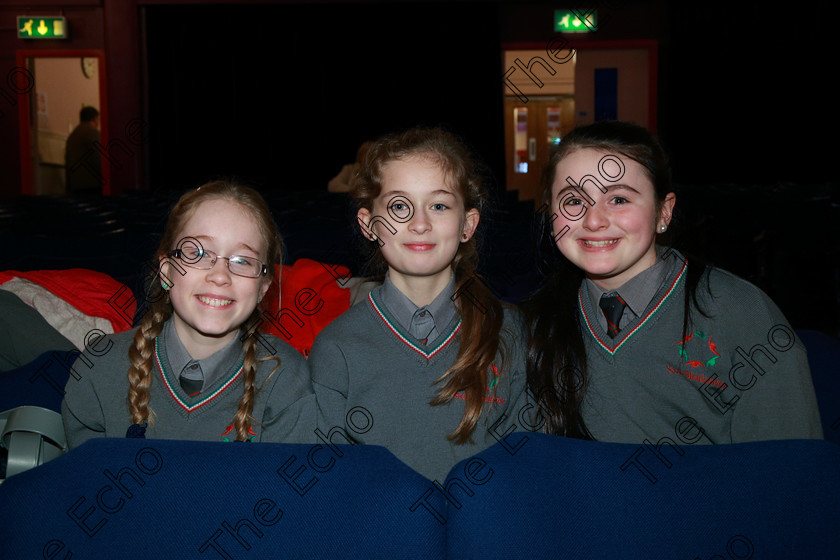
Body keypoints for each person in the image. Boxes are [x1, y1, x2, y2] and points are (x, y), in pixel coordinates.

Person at [524, 120, 822, 443]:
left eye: (619, 199)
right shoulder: (539, 323)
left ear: (663, 212)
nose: (594, 220)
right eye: (573, 201)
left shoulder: (740, 313)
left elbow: (792, 473)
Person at [309, 127, 527, 481]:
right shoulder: (337, 347)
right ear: (369, 225)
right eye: (399, 206)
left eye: (438, 205)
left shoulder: (511, 332)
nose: (420, 223)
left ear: (467, 225)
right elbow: (332, 483)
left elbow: (525, 473)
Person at [62, 181, 316, 446]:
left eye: (242, 261)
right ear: (166, 271)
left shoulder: (284, 378)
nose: (219, 276)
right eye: (197, 253)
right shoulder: (100, 365)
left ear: (263, 288)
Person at [64, 106, 101, 195]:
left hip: (75, 185)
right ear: (95, 118)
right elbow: (98, 157)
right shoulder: (93, 132)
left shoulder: (72, 135)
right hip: (92, 184)